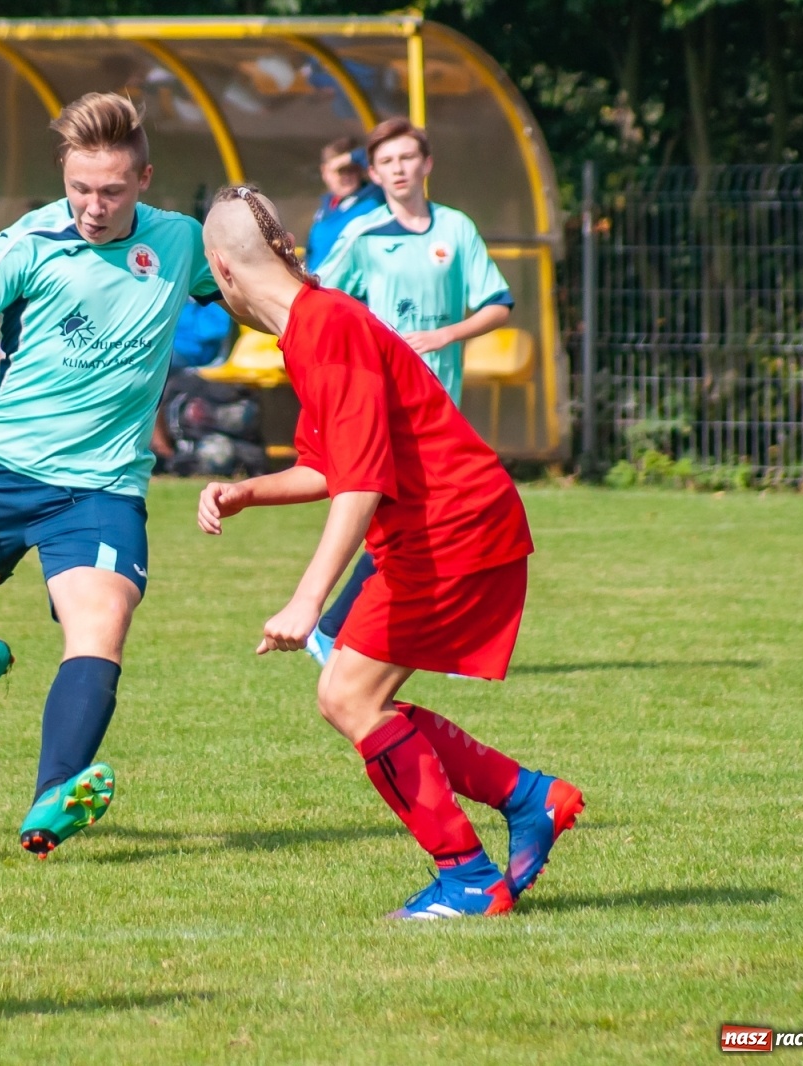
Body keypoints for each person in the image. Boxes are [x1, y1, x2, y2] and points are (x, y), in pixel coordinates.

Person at [196, 185, 582, 919]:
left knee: (348, 696)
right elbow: (329, 465)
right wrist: (248, 491)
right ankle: (529, 800)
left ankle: (471, 878)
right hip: (446, 526)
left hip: (453, 527)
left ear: (222, 267)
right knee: (355, 695)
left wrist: (308, 599)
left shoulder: (326, 326)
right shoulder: (313, 326)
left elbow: (363, 481)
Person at [0, 93, 224, 858]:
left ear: (143, 180)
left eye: (110, 191)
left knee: (101, 621)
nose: (93, 208)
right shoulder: (26, 245)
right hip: (0, 471)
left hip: (103, 486)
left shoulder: (179, 242)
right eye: (79, 189)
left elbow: (248, 292)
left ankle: (51, 799)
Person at [307, 118, 515, 665]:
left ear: (427, 164)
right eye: (387, 162)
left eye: (407, 158)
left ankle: (335, 630)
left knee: (423, 526)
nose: (398, 169)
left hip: (442, 405)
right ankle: (339, 631)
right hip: (387, 405)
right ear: (374, 175)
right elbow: (319, 297)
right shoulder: (364, 234)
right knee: (425, 523)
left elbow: (497, 303)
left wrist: (446, 334)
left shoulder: (456, 229)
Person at [303, 136, 383, 274]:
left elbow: (380, 164)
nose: (346, 176)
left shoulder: (375, 197)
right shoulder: (323, 210)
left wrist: (349, 157)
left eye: (352, 169)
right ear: (325, 171)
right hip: (319, 282)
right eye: (340, 170)